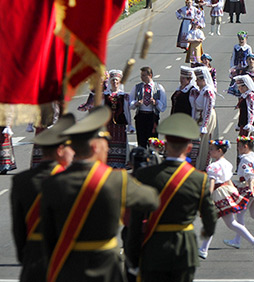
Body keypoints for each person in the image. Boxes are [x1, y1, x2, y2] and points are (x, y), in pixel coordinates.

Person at [40, 107, 159, 282]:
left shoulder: (52, 183)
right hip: (105, 267)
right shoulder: (116, 180)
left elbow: (48, 234)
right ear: (95, 147)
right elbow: (152, 200)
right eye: (106, 145)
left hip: (68, 264)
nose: (108, 150)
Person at [125, 113, 217, 281]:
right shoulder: (199, 179)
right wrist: (206, 231)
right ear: (189, 148)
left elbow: (135, 221)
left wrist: (132, 255)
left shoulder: (145, 176)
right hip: (184, 250)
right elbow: (210, 216)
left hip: (154, 248)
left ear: (165, 145)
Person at [11, 114, 75, 282]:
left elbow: (18, 229)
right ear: (60, 150)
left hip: (33, 258)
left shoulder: (21, 181)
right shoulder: (71, 180)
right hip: (66, 257)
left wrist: (26, 256)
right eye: (70, 148)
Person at [198, 139, 254, 259]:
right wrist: (235, 194)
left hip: (218, 193)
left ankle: (203, 249)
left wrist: (207, 197)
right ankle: (253, 241)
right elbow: (229, 180)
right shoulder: (228, 164)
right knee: (230, 223)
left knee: (213, 221)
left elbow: (212, 182)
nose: (210, 151)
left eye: (212, 149)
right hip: (227, 191)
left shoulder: (213, 166)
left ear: (219, 151)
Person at [234, 74, 254, 171]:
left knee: (250, 145)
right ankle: (242, 166)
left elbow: (251, 110)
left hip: (251, 124)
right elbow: (242, 112)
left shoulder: (251, 95)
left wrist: (249, 123)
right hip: (244, 124)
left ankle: (253, 166)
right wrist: (239, 124)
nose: (240, 89)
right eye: (239, 87)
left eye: (241, 86)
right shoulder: (244, 96)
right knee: (242, 145)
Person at [129, 67, 167, 149]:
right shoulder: (137, 87)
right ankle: (142, 156)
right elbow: (130, 102)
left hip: (152, 116)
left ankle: (152, 157)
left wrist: (156, 103)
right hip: (141, 116)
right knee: (141, 139)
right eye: (141, 75)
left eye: (144, 75)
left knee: (152, 140)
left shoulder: (158, 87)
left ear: (150, 75)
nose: (142, 77)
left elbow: (163, 105)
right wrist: (136, 103)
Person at [191, 67, 218, 171]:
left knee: (205, 142)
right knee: (198, 143)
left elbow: (208, 109)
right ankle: (198, 164)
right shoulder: (200, 91)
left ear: (203, 80)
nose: (196, 82)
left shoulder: (208, 91)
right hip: (200, 117)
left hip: (207, 117)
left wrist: (205, 125)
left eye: (198, 79)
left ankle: (205, 165)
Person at [103, 69, 131, 168]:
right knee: (108, 143)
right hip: (108, 125)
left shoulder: (124, 96)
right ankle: (108, 162)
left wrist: (130, 125)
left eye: (116, 81)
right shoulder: (105, 96)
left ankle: (120, 163)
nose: (115, 83)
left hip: (120, 124)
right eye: (113, 81)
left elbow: (127, 110)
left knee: (120, 142)